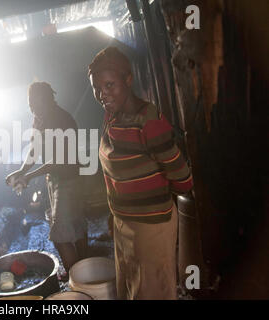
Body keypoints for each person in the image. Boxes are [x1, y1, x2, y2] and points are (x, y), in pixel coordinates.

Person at [88, 47, 193, 299]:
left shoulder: (148, 121)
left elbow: (182, 178)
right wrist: (116, 215)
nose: (102, 94)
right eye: (96, 88)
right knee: (131, 289)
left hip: (151, 227)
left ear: (128, 79)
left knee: (152, 292)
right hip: (124, 223)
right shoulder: (111, 117)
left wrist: (152, 198)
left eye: (109, 84)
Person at [5, 81, 88, 280]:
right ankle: (86, 267)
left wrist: (29, 176)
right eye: (30, 102)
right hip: (56, 180)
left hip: (69, 180)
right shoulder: (40, 119)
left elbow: (59, 160)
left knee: (60, 234)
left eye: (35, 101)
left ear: (49, 99)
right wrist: (22, 170)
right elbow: (35, 149)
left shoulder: (60, 120)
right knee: (75, 225)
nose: (32, 106)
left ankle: (77, 277)